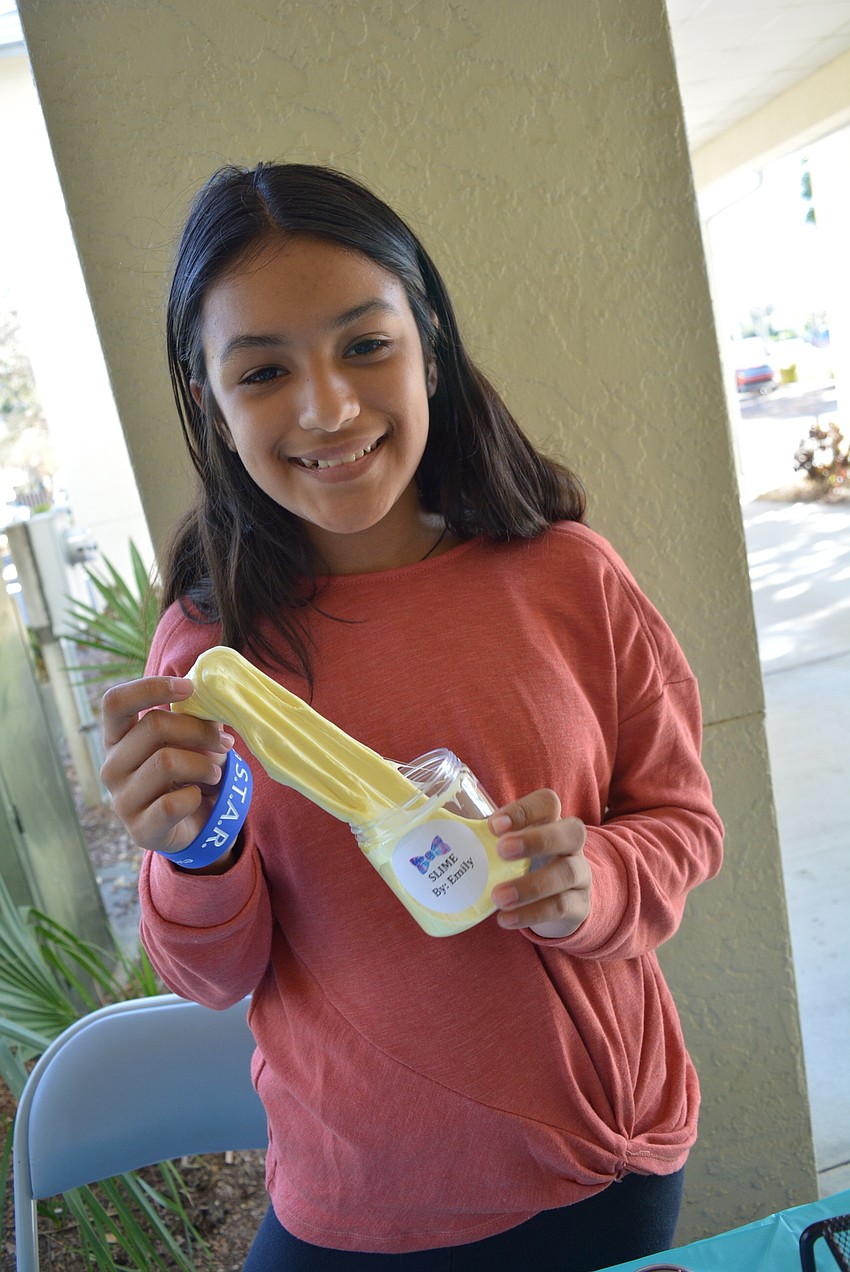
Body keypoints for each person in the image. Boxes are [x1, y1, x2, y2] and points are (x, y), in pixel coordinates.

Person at [101, 162, 724, 1272]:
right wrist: (194, 850)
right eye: (261, 371)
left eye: (364, 345)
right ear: (209, 402)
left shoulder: (567, 579)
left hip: (597, 1167)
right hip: (357, 1203)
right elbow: (212, 976)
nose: (326, 407)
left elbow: (681, 820)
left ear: (427, 342)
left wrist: (598, 878)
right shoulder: (207, 661)